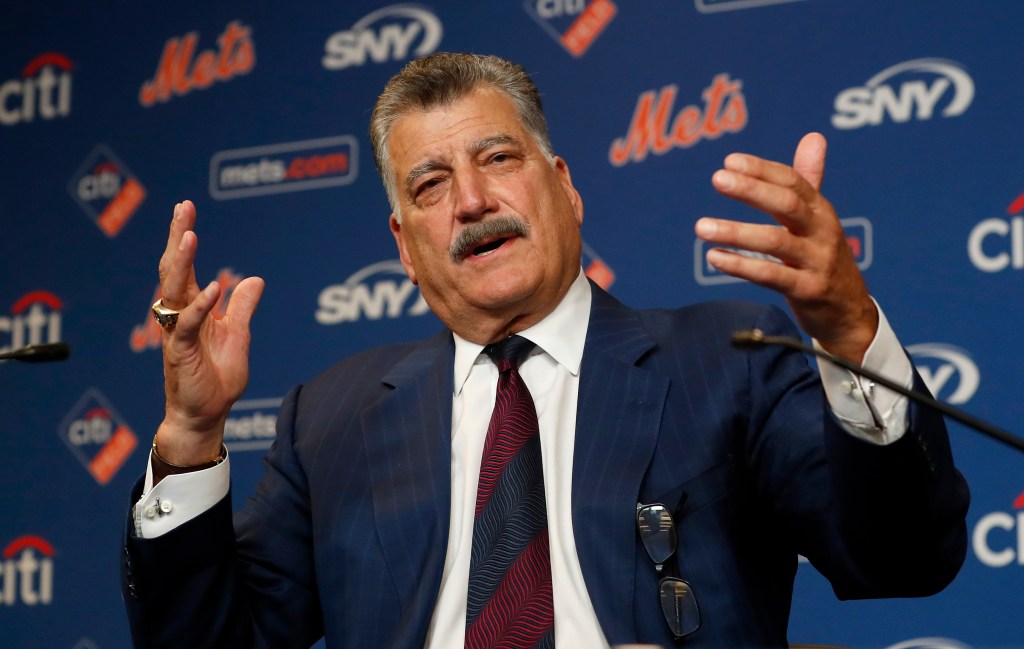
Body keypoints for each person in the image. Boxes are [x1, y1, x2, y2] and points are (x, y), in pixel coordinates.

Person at [122, 52, 969, 648]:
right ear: (405, 246)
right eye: (430, 184)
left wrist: (849, 330)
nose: (472, 200)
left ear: (565, 188)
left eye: (498, 157)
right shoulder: (331, 419)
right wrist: (190, 437)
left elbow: (902, 557)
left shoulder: (725, 359)